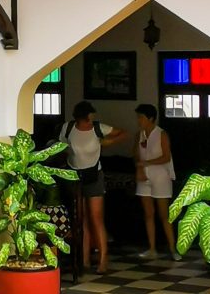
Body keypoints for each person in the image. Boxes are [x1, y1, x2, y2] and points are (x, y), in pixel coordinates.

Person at [62, 101, 125, 275]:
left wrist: (108, 142)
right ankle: (85, 259)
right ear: (83, 117)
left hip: (94, 175)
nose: (92, 119)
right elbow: (61, 147)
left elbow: (122, 133)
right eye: (90, 117)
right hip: (75, 176)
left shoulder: (98, 128)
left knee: (96, 217)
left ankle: (103, 258)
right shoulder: (68, 128)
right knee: (81, 219)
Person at [134, 104, 175, 260]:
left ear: (150, 118)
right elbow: (136, 154)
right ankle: (152, 248)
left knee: (164, 214)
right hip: (144, 176)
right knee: (148, 213)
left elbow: (166, 157)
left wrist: (146, 163)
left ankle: (173, 248)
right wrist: (139, 168)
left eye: (141, 117)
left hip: (160, 176)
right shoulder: (139, 134)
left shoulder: (161, 134)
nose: (139, 120)